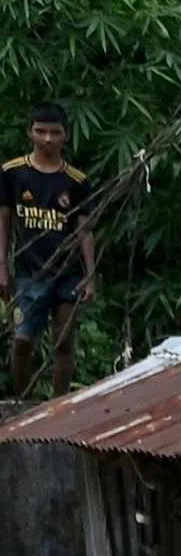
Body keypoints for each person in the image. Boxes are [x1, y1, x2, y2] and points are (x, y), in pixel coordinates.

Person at [2, 109, 88, 401]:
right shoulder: (13, 173)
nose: (47, 139)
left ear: (66, 135)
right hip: (29, 274)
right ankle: (23, 402)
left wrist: (90, 275)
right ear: (30, 132)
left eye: (54, 132)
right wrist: (2, 266)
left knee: (64, 341)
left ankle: (60, 406)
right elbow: (4, 220)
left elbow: (85, 230)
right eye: (40, 131)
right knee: (22, 340)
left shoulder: (76, 181)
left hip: (69, 272)